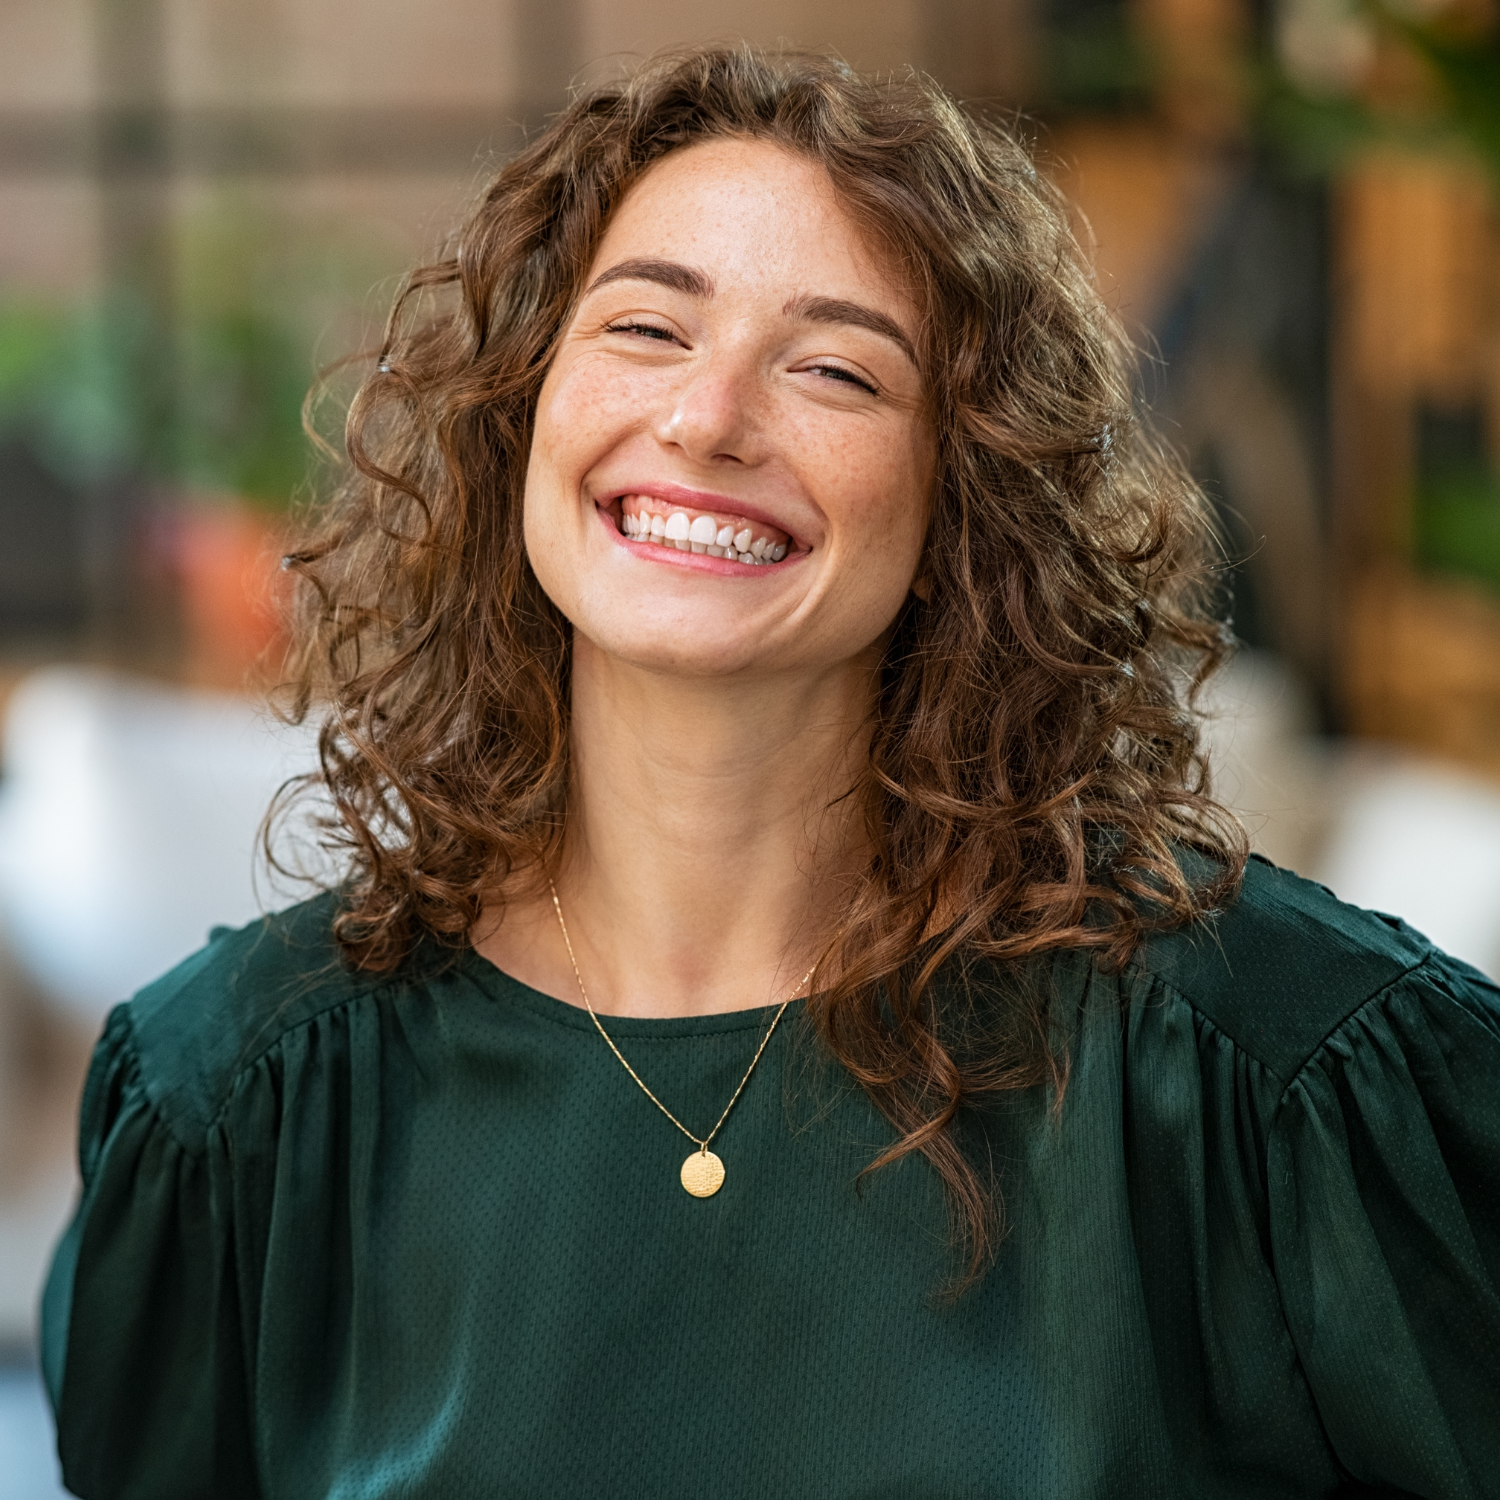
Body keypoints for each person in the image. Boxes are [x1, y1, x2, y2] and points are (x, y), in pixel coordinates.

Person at [42, 45, 1500, 1499]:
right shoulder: (234, 1109)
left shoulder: (1278, 1075)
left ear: (968, 495)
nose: (707, 419)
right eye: (645, 329)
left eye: (835, 369)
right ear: (520, 409)